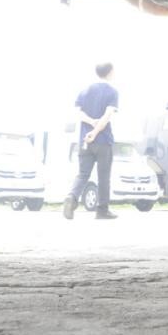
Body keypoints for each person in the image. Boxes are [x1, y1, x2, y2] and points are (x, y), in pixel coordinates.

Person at [63, 62, 118, 220]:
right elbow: (107, 116)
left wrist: (91, 123)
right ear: (110, 72)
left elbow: (78, 113)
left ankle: (72, 197)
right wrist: (95, 131)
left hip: (84, 140)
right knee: (103, 176)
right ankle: (102, 210)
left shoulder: (84, 91)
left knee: (82, 174)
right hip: (103, 140)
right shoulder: (112, 92)